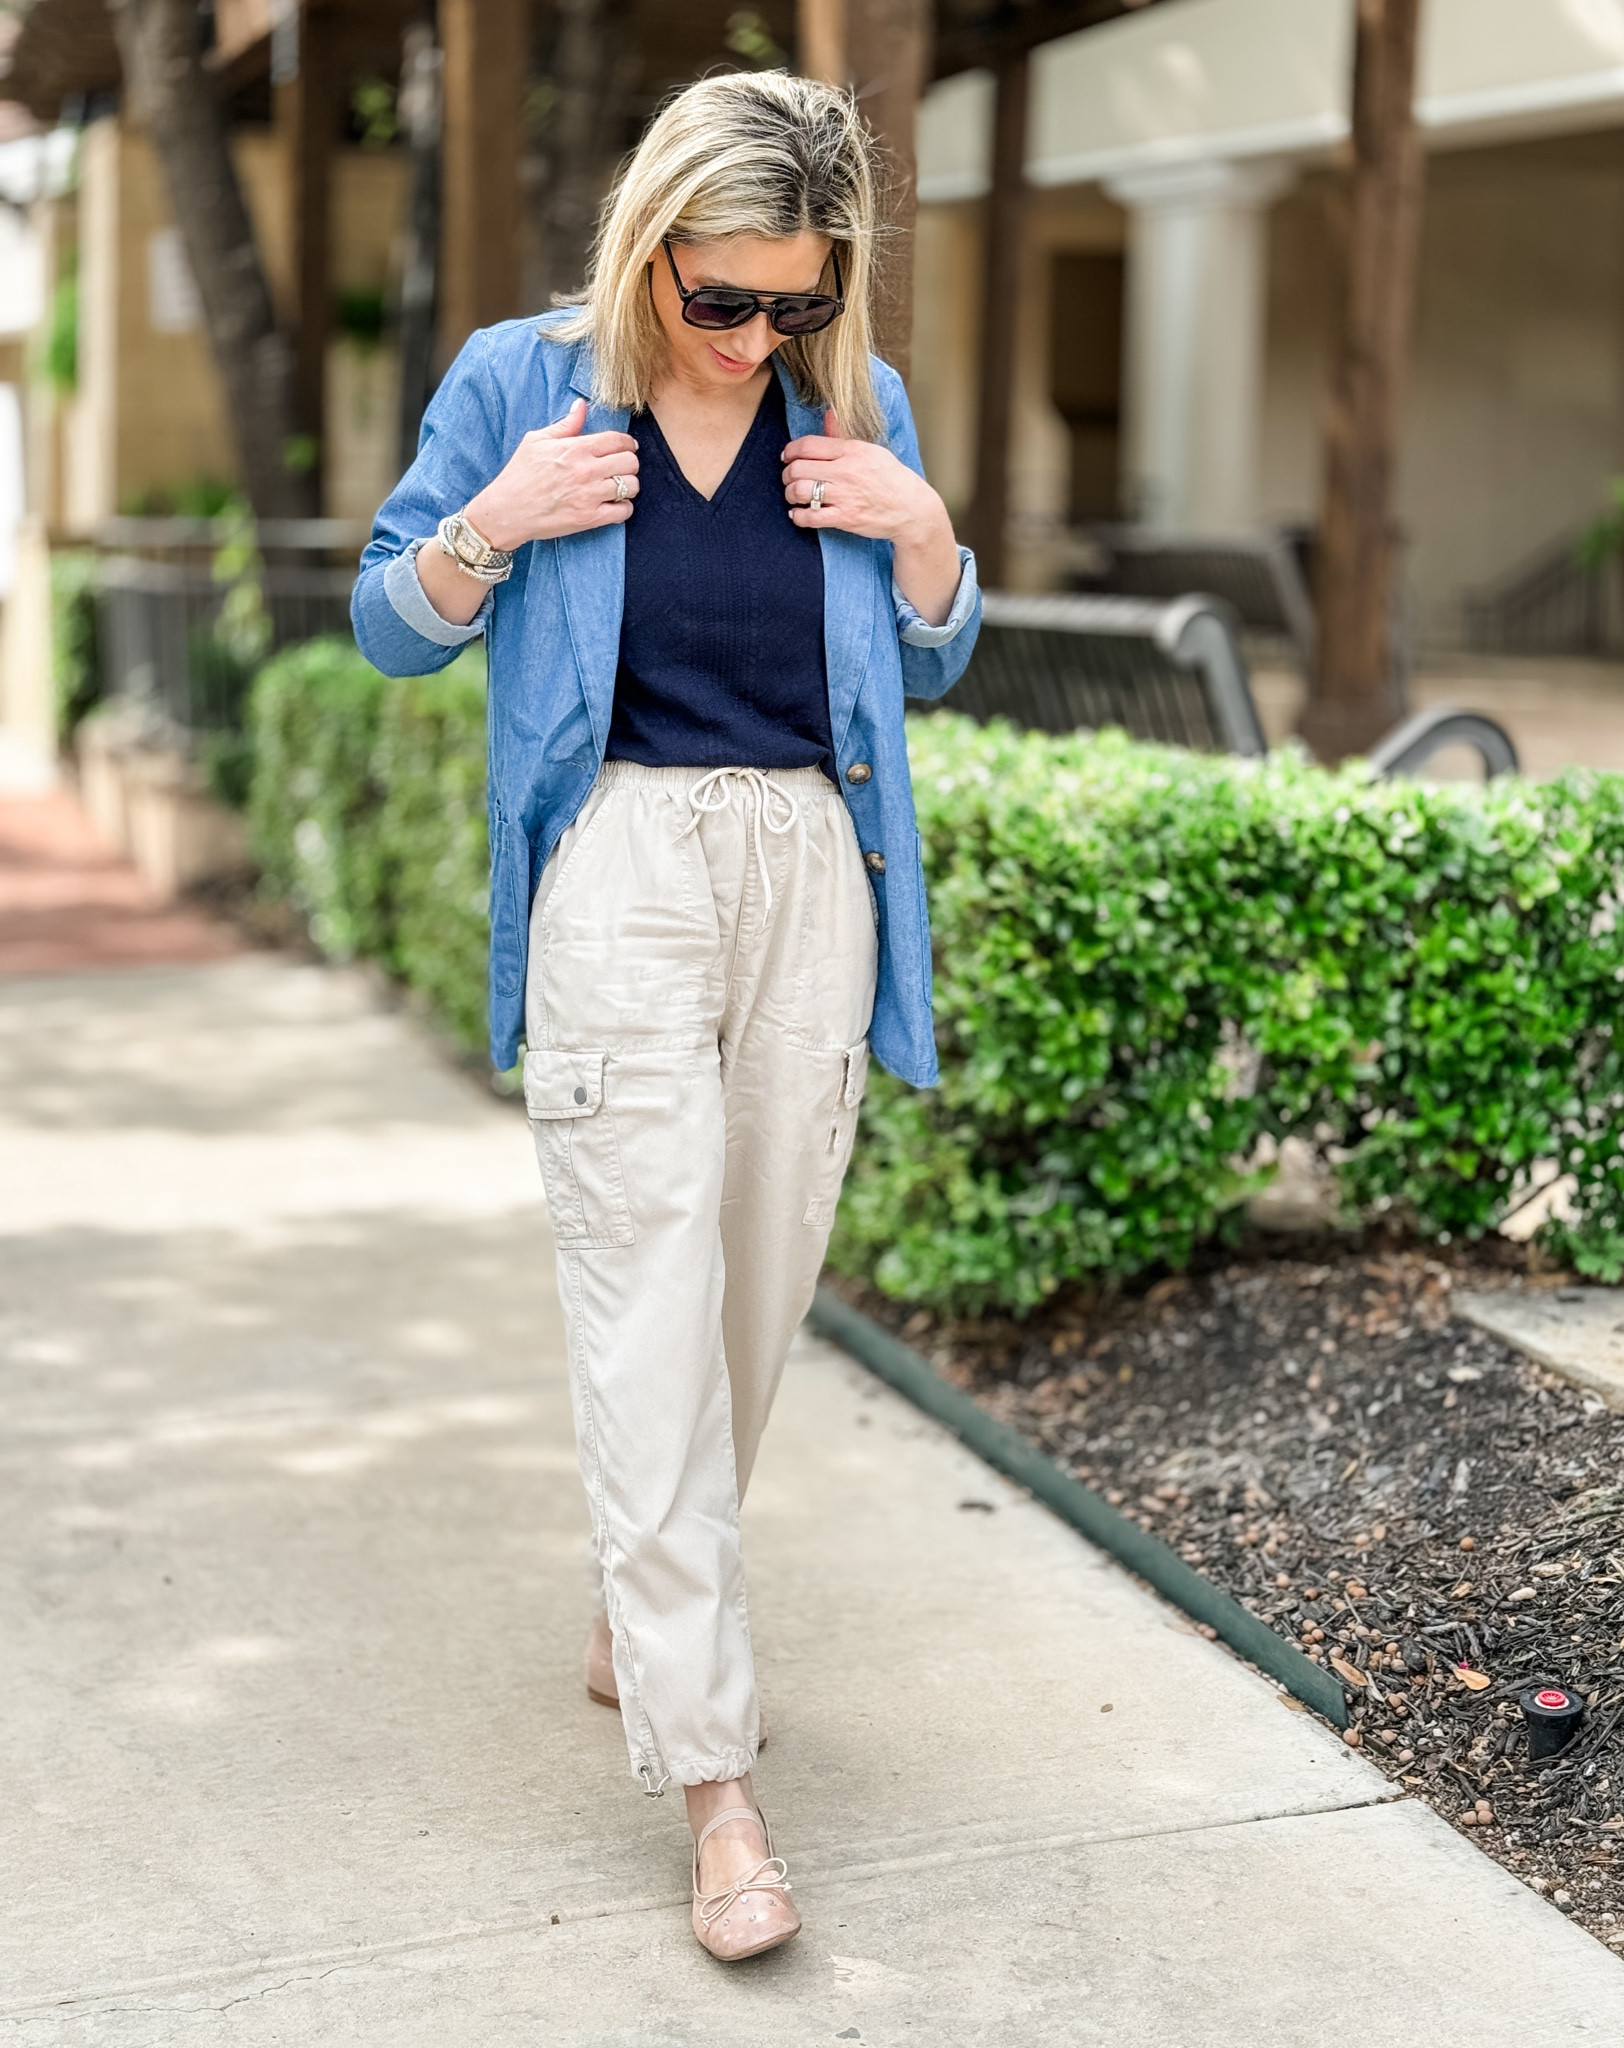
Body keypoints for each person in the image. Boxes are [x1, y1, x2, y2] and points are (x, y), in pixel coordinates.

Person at [351, 69, 979, 1963]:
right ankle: (718, 1790)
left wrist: (926, 534)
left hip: (815, 875)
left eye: (795, 303)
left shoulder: (855, 407)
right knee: (643, 1319)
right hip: (618, 865)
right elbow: (390, 615)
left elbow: (931, 659)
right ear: (648, 254)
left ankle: (644, 1616)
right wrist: (499, 520)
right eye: (724, 302)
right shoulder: (514, 385)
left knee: (750, 1300)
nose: (758, 339)